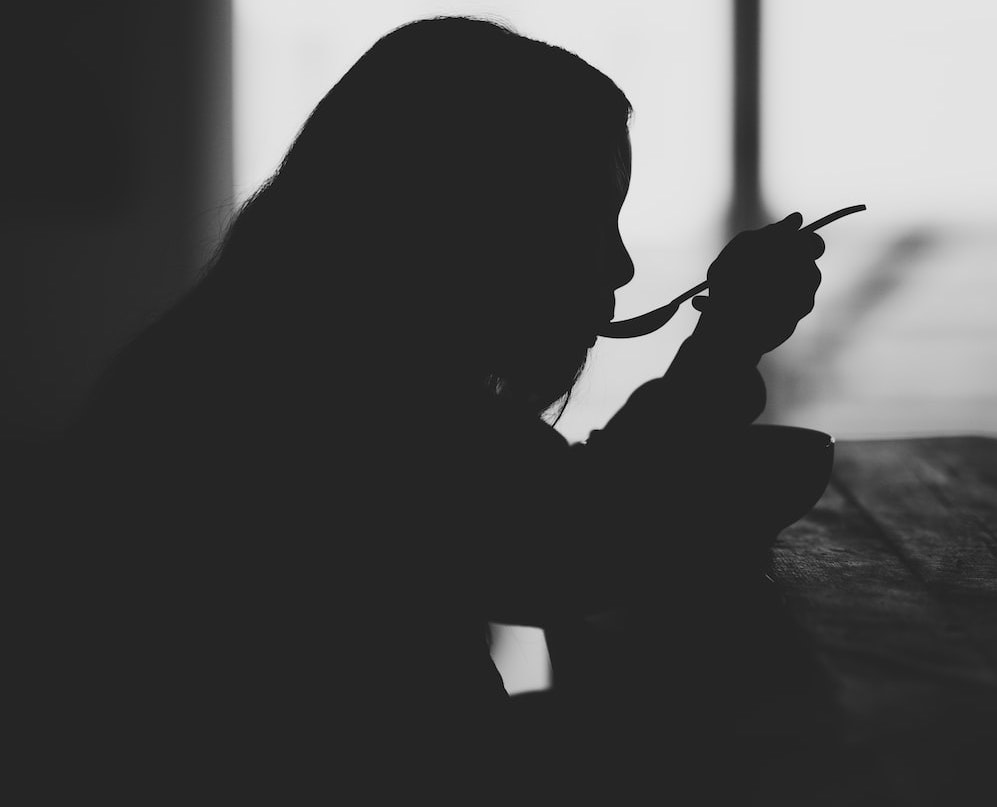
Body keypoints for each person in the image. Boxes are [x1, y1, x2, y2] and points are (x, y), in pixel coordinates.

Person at [22, 15, 824, 801]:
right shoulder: (348, 401)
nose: (616, 264)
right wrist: (724, 342)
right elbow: (572, 546)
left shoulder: (264, 349)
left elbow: (538, 511)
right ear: (470, 224)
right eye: (583, 220)